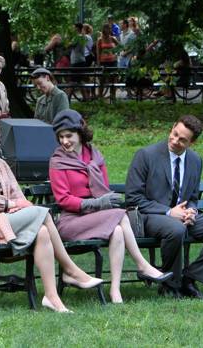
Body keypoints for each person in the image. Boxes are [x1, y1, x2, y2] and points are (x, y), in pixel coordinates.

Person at [0, 115, 103, 313]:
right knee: (43, 213)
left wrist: (16, 204)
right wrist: (12, 204)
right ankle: (71, 270)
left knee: (43, 233)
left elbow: (18, 195)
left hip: (1, 220)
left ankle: (51, 297)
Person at [48, 110, 173, 303]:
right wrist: (96, 203)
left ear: (80, 134)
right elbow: (63, 200)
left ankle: (115, 291)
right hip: (70, 221)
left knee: (118, 231)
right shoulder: (57, 161)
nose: (65, 141)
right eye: (61, 137)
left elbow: (104, 190)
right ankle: (142, 265)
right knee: (120, 216)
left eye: (69, 136)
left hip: (98, 218)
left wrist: (104, 201)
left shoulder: (96, 157)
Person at [125, 115, 203, 298]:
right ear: (172, 128)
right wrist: (169, 212)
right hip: (149, 216)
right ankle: (170, 284)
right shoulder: (145, 155)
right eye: (174, 133)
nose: (175, 140)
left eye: (182, 139)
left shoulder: (195, 160)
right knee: (176, 228)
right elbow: (133, 198)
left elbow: (193, 197)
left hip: (182, 219)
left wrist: (192, 211)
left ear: (191, 143)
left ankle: (190, 278)